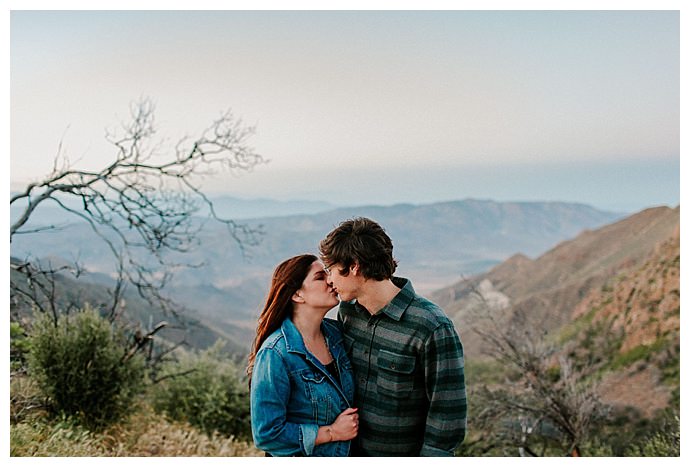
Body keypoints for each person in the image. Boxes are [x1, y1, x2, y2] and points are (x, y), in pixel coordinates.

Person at [319, 217, 467, 456]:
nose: (329, 279)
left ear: (354, 266)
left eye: (332, 270)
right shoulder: (348, 313)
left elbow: (447, 417)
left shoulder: (432, 327)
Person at [247, 254, 359, 456]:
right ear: (297, 295)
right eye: (319, 277)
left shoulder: (337, 335)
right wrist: (332, 433)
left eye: (327, 274)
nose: (330, 280)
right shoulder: (275, 354)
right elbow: (266, 435)